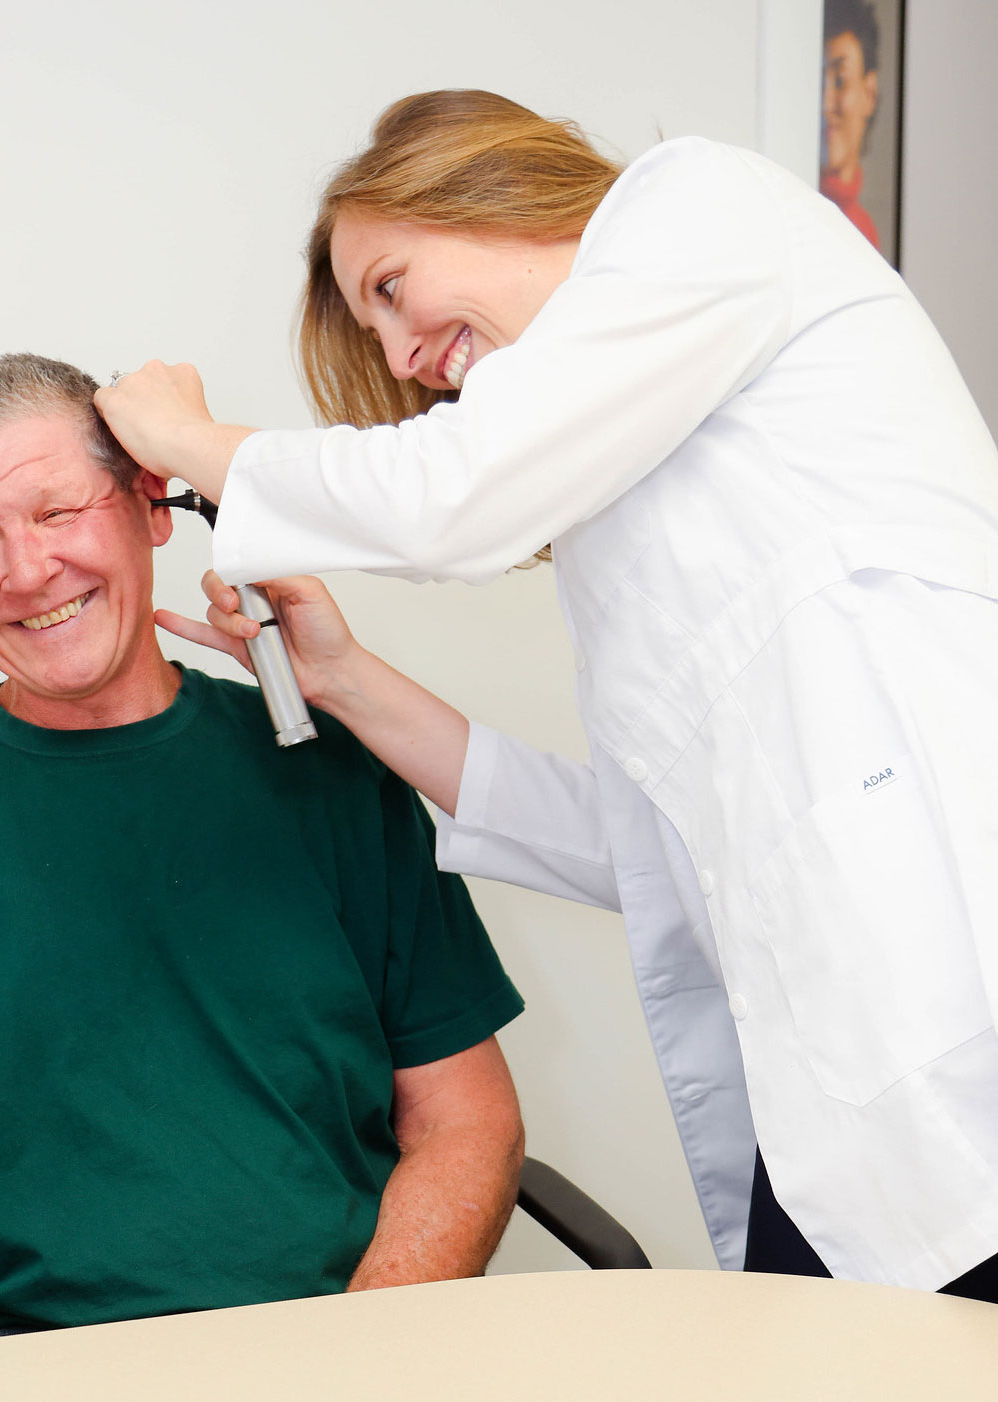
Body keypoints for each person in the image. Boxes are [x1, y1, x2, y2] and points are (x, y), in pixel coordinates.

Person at [95, 89, 998, 1299]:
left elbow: (454, 493)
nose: (400, 357)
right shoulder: (625, 513)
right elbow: (640, 847)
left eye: (388, 289)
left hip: (951, 1015)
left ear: (482, 189)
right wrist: (345, 681)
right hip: (847, 1100)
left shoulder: (702, 207)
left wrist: (183, 435)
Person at [0, 352, 526, 1366]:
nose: (26, 572)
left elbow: (464, 1121)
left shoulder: (330, 770)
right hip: (10, 1366)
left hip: (322, 1346)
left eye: (56, 512)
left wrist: (362, 1350)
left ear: (152, 506)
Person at [821, 0, 883, 251]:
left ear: (869, 93)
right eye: (816, 81)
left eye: (840, 80)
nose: (825, 104)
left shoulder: (864, 233)